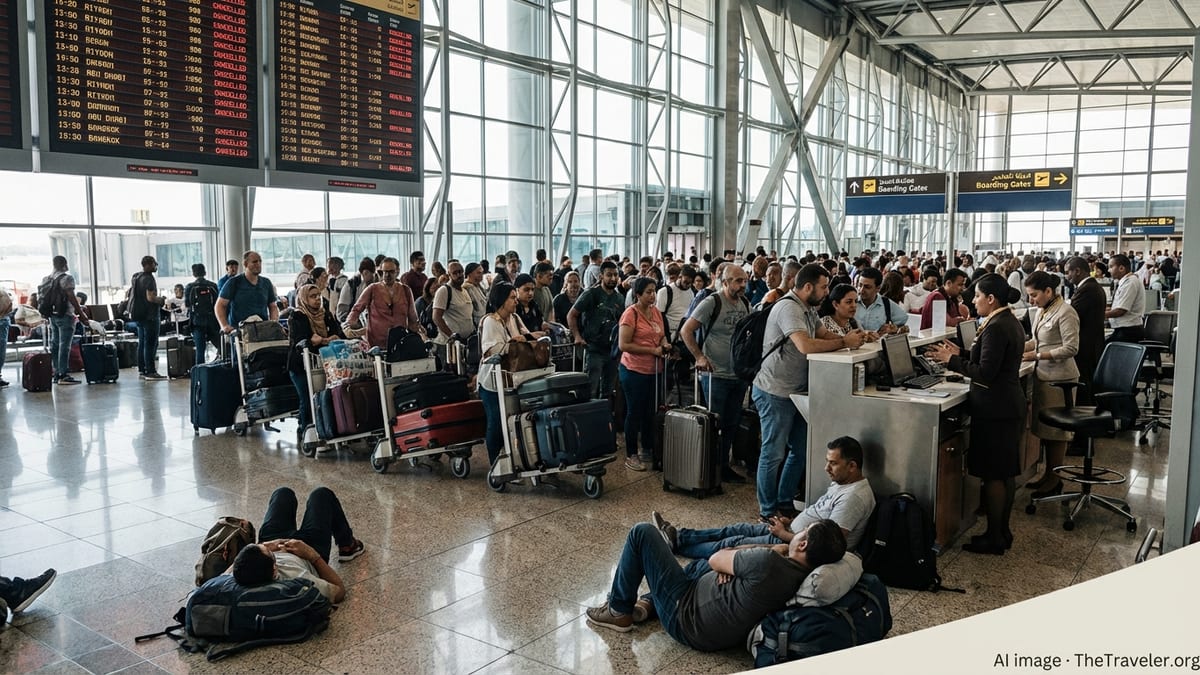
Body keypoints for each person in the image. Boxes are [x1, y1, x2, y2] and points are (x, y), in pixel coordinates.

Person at [584, 519, 847, 648]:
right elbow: (718, 563)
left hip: (684, 616)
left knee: (642, 532)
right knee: (698, 566)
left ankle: (619, 610)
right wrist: (731, 566)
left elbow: (716, 558)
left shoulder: (767, 562)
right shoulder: (800, 574)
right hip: (709, 622)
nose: (796, 530)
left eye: (802, 531)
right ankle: (649, 603)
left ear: (801, 543)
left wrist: (766, 550)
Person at [653, 436, 875, 572]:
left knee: (733, 542)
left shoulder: (852, 499)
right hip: (791, 531)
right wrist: (791, 522)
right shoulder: (844, 483)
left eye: (833, 464)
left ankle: (672, 545)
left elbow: (828, 545)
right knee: (736, 528)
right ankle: (679, 536)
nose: (827, 468)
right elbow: (818, 518)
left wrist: (784, 534)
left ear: (852, 466)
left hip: (793, 543)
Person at [752, 264, 864, 522]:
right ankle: (767, 510)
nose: (827, 292)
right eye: (824, 287)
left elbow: (823, 334)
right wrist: (843, 342)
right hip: (774, 390)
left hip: (796, 392)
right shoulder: (789, 307)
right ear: (808, 287)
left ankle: (784, 501)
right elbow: (804, 345)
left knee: (801, 449)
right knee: (773, 452)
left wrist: (852, 338)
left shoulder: (808, 308)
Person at [926, 273, 1026, 555]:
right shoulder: (1007, 320)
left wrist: (953, 361)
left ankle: (994, 537)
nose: (973, 300)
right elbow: (988, 359)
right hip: (1007, 405)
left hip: (996, 409)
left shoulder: (996, 326)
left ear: (991, 299)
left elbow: (985, 373)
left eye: (978, 296)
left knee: (994, 475)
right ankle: (1001, 532)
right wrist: (962, 352)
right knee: (1004, 473)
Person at [230, 487, 365, 606]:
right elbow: (339, 592)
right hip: (307, 548)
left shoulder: (238, 575)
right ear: (274, 571)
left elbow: (223, 575)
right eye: (270, 552)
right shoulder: (297, 577)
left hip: (273, 540)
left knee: (282, 493)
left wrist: (267, 545)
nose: (269, 547)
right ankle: (348, 546)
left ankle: (265, 549)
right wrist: (313, 556)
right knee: (321, 495)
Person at [681, 264, 751, 483]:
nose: (742, 285)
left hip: (736, 375)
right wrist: (699, 357)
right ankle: (708, 469)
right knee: (713, 425)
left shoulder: (745, 304)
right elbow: (686, 330)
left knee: (731, 423)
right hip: (715, 375)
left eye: (744, 281)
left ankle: (722, 466)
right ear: (725, 281)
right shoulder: (712, 302)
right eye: (738, 281)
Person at [1021, 271, 1080, 497]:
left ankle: (1055, 480)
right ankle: (1047, 475)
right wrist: (1019, 348)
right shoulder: (1043, 310)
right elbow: (1038, 340)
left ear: (1048, 291)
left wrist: (1037, 356)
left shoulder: (1066, 312)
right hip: (1043, 376)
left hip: (1060, 379)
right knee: (1045, 430)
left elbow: (1071, 348)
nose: (1031, 300)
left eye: (1034, 295)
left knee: (1056, 432)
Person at [477, 282, 540, 466]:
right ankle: (495, 464)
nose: (516, 301)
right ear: (501, 300)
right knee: (496, 423)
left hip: (510, 379)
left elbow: (528, 336)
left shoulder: (514, 318)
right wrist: (514, 342)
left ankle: (513, 461)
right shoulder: (490, 321)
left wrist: (523, 339)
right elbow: (492, 349)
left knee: (511, 422)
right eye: (512, 298)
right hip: (491, 382)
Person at [618, 277, 672, 472]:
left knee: (651, 411)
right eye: (648, 292)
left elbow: (661, 334)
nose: (652, 296)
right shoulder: (630, 314)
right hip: (634, 370)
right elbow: (624, 345)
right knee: (635, 411)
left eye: (654, 291)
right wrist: (652, 351)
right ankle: (631, 453)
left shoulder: (656, 312)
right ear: (638, 294)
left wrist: (665, 344)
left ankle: (648, 447)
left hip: (654, 370)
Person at [289, 284, 348, 445]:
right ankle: (305, 431)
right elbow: (301, 340)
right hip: (301, 366)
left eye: (318, 296)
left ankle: (328, 429)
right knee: (307, 398)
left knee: (330, 395)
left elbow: (339, 333)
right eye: (312, 296)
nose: (317, 299)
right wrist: (319, 340)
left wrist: (326, 339)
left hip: (326, 364)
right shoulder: (298, 316)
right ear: (303, 298)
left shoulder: (325, 314)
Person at [568, 261, 625, 400]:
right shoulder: (591, 294)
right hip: (593, 349)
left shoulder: (619, 298)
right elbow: (571, 315)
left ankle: (605, 420)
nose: (612, 278)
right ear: (601, 276)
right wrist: (577, 336)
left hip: (611, 351)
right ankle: (587, 419)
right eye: (609, 275)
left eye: (615, 275)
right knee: (590, 390)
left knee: (608, 391)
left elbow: (622, 323)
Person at [346, 257, 424, 350]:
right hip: (376, 344)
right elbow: (357, 309)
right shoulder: (372, 289)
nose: (387, 275)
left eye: (391, 271)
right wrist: (348, 325)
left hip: (400, 343)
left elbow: (413, 316)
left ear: (397, 271)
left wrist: (419, 329)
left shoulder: (406, 290)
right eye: (383, 272)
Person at [1064, 257, 1104, 407]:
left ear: (1078, 271)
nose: (1067, 276)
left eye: (1069, 272)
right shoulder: (1092, 287)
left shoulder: (1087, 289)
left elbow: (1072, 315)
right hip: (1092, 343)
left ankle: (1084, 419)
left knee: (1084, 384)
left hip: (1086, 346)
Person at [40, 256, 85, 385]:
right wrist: (81, 314)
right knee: (65, 345)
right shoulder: (67, 278)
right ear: (64, 264)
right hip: (65, 314)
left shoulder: (46, 279)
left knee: (55, 343)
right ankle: (63, 374)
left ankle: (56, 373)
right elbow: (71, 297)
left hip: (52, 315)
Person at [216, 251, 279, 335]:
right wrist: (224, 325)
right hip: (239, 331)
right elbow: (220, 305)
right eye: (254, 262)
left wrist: (273, 324)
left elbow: (273, 306)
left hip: (262, 329)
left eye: (260, 261)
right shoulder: (234, 282)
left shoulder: (266, 283)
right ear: (245, 264)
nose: (258, 264)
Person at [130, 256, 168, 381]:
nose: (156, 266)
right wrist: (161, 300)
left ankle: (142, 370)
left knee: (142, 343)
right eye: (154, 264)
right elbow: (150, 298)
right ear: (150, 264)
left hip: (139, 315)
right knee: (151, 344)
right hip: (150, 315)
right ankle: (151, 371)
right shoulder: (149, 278)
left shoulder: (137, 277)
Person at [432, 261, 478, 354]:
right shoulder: (444, 291)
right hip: (448, 345)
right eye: (455, 273)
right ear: (449, 275)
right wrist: (451, 336)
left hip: (465, 343)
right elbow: (436, 317)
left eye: (460, 272)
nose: (459, 275)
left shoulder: (464, 291)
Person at [185, 264, 222, 364]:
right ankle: (223, 368)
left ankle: (200, 373)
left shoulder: (189, 287)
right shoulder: (212, 285)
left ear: (193, 273)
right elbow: (217, 303)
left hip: (197, 322)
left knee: (200, 349)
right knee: (221, 346)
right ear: (205, 272)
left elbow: (187, 304)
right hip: (212, 321)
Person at [1105, 254, 1146, 344]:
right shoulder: (1124, 282)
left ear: (1121, 268)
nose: (1109, 270)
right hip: (1124, 329)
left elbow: (1121, 310)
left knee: (1103, 348)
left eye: (1111, 267)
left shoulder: (1130, 283)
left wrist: (1099, 315)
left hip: (1129, 331)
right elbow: (1117, 307)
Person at [854, 267, 905, 334]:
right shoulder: (852, 303)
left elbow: (903, 322)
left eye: (867, 287)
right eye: (860, 285)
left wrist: (895, 329)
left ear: (878, 288)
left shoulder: (887, 304)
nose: (861, 290)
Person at [336, 258, 377, 322]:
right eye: (370, 275)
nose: (372, 279)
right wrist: (348, 322)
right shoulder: (351, 285)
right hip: (353, 322)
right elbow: (342, 310)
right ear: (364, 272)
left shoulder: (376, 282)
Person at [463, 262, 488, 329]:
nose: (481, 275)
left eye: (482, 272)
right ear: (470, 274)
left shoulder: (477, 286)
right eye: (478, 273)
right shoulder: (466, 288)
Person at [0, 284, 12, 387]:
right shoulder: (3, 292)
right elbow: (9, 307)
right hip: (2, 321)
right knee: (1, 350)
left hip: (3, 320)